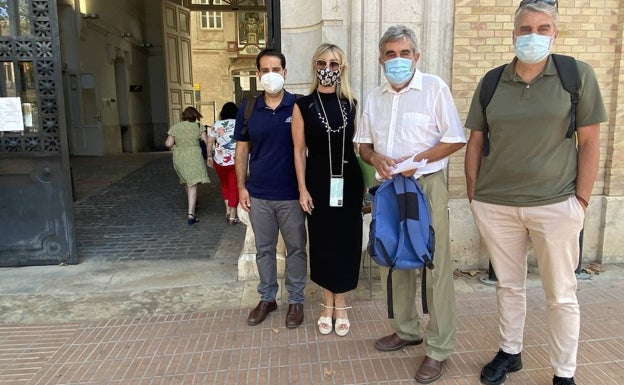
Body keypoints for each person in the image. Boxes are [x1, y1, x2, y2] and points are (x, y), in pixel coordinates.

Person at [464, 2, 607, 385]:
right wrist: (475, 197)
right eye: (526, 28)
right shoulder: (492, 81)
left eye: (543, 28)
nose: (533, 35)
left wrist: (581, 201)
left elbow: (590, 141)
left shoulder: (576, 76)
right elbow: (476, 141)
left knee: (561, 293)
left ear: (555, 34)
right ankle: (510, 352)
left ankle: (564, 373)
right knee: (508, 286)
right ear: (513, 34)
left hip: (556, 204)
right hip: (497, 205)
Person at [355, 25, 466, 383]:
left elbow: (454, 138)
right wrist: (377, 159)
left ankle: (438, 348)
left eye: (405, 54)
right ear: (381, 59)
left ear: (416, 57)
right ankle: (406, 330)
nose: (398, 60)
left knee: (434, 265)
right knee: (394, 258)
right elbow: (363, 145)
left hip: (425, 186)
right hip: (390, 189)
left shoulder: (434, 88)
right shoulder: (375, 97)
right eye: (391, 54)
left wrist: (417, 157)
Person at [292, 43, 363, 337]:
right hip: (318, 182)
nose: (328, 69)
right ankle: (326, 305)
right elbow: (298, 151)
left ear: (342, 69)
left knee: (346, 242)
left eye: (334, 64)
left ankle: (342, 305)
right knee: (322, 243)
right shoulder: (303, 105)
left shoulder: (352, 104)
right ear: (314, 66)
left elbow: (361, 146)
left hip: (349, 181)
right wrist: (302, 189)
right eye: (322, 63)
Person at [234, 48, 307, 329]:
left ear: (285, 73)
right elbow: (242, 151)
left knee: (296, 249)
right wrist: (241, 187)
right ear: (258, 75)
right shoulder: (249, 108)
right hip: (259, 194)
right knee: (264, 250)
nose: (271, 75)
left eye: (276, 69)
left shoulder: (299, 106)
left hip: (291, 194)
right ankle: (267, 297)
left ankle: (296, 300)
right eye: (265, 70)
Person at [165, 106, 210, 225]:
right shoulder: (198, 127)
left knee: (186, 181)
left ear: (183, 116)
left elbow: (168, 144)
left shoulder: (175, 127)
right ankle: (191, 214)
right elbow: (206, 141)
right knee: (193, 185)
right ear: (196, 116)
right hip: (194, 155)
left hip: (179, 156)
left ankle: (193, 205)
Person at [207, 102, 241, 225]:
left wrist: (209, 156)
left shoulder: (217, 125)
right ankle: (232, 215)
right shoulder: (239, 123)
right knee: (234, 186)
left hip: (219, 160)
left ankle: (227, 209)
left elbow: (210, 142)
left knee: (225, 185)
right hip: (235, 160)